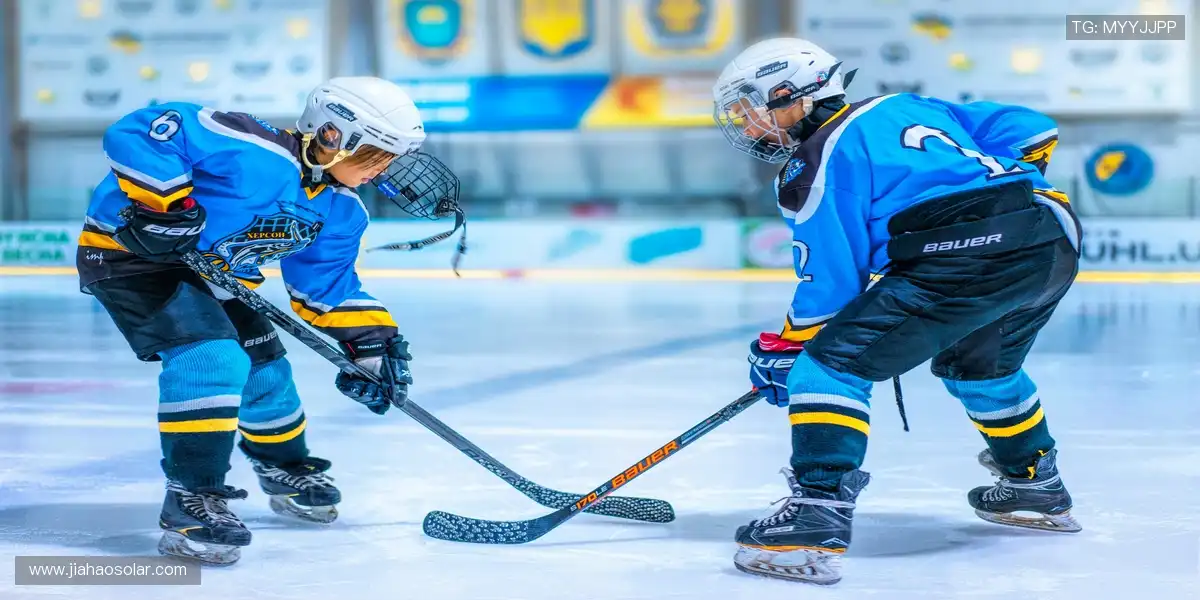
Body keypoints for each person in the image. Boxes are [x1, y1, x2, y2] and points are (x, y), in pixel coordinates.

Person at [712, 38, 1083, 585]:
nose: (747, 125)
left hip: (967, 248)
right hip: (1051, 234)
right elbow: (1031, 128)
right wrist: (1001, 187)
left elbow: (831, 288)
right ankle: (1034, 485)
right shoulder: (907, 106)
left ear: (792, 92)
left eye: (752, 106)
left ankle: (816, 515)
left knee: (828, 366)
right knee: (982, 367)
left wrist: (789, 349)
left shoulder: (811, 164)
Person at [76, 77, 463, 565]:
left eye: (388, 160)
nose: (380, 171)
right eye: (373, 156)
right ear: (331, 136)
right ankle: (192, 499)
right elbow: (145, 129)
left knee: (268, 374)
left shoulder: (341, 212)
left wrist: (372, 347)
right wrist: (166, 206)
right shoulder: (252, 149)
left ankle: (283, 467)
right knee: (212, 360)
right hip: (132, 257)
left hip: (214, 274)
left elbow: (326, 288)